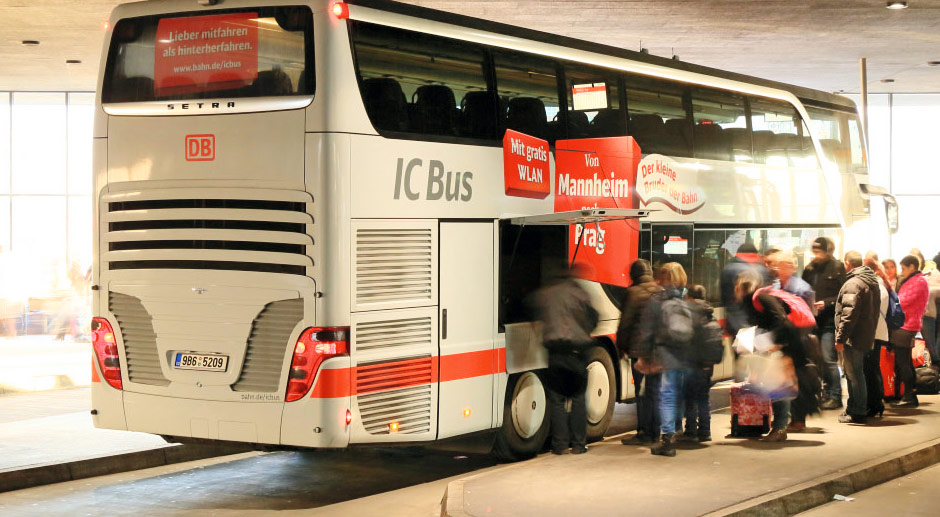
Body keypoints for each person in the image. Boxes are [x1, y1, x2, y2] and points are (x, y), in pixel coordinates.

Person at [736, 269, 817, 441]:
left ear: (743, 286)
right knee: (779, 385)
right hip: (782, 342)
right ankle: (782, 425)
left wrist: (772, 343)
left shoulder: (761, 298)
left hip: (786, 342)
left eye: (737, 285)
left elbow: (781, 322)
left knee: (778, 386)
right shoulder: (753, 301)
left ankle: (780, 428)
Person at [533, 261, 598, 454]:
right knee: (578, 398)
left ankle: (559, 445)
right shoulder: (580, 293)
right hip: (577, 352)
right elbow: (594, 318)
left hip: (555, 351)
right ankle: (578, 445)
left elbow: (532, 309)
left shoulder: (545, 294)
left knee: (557, 400)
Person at [636, 262, 695, 457]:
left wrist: (644, 356)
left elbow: (647, 330)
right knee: (678, 394)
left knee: (667, 396)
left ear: (662, 278)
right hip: (686, 353)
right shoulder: (687, 297)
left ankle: (667, 439)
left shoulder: (657, 300)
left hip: (666, 353)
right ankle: (678, 428)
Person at [616, 259, 663, 445]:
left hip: (640, 351)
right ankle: (656, 432)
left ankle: (644, 432)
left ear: (633, 274)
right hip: (659, 350)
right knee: (656, 391)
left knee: (642, 392)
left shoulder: (632, 293)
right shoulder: (661, 292)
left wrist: (621, 347)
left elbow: (626, 323)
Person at [834, 251, 881, 424]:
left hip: (853, 337)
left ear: (847, 263)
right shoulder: (870, 281)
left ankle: (858, 411)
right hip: (864, 334)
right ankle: (854, 408)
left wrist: (840, 338)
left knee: (854, 374)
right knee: (856, 373)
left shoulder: (853, 283)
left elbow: (848, 314)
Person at [802, 237, 846, 410]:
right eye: (815, 251)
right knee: (817, 360)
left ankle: (835, 396)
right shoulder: (810, 268)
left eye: (820, 251)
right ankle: (825, 393)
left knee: (829, 359)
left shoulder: (838, 267)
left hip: (829, 321)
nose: (816, 255)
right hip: (813, 321)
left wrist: (826, 303)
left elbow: (843, 294)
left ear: (829, 251)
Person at [677, 284, 717, 443]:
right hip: (707, 363)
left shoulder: (688, 313)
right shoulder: (710, 313)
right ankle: (705, 431)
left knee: (690, 398)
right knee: (703, 397)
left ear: (690, 297)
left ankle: (691, 431)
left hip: (691, 362)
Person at [891, 255, 930, 408]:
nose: (902, 271)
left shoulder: (918, 281)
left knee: (903, 362)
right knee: (905, 361)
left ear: (913, 267)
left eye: (904, 268)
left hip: (906, 325)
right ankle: (909, 394)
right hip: (906, 324)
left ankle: (909, 396)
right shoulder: (915, 280)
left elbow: (902, 301)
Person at [720, 242, 768, 344]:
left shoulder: (728, 268)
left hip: (736, 321)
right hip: (758, 324)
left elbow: (725, 299)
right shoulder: (762, 270)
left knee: (741, 353)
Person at [864, 256, 890, 417]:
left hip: (872, 333)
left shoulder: (876, 287)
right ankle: (876, 402)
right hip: (878, 332)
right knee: (873, 369)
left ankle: (874, 403)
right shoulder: (882, 286)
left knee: (870, 370)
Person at [922, 255, 940, 367]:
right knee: (934, 351)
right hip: (931, 315)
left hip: (927, 314)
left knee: (931, 347)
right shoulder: (935, 275)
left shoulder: (928, 274)